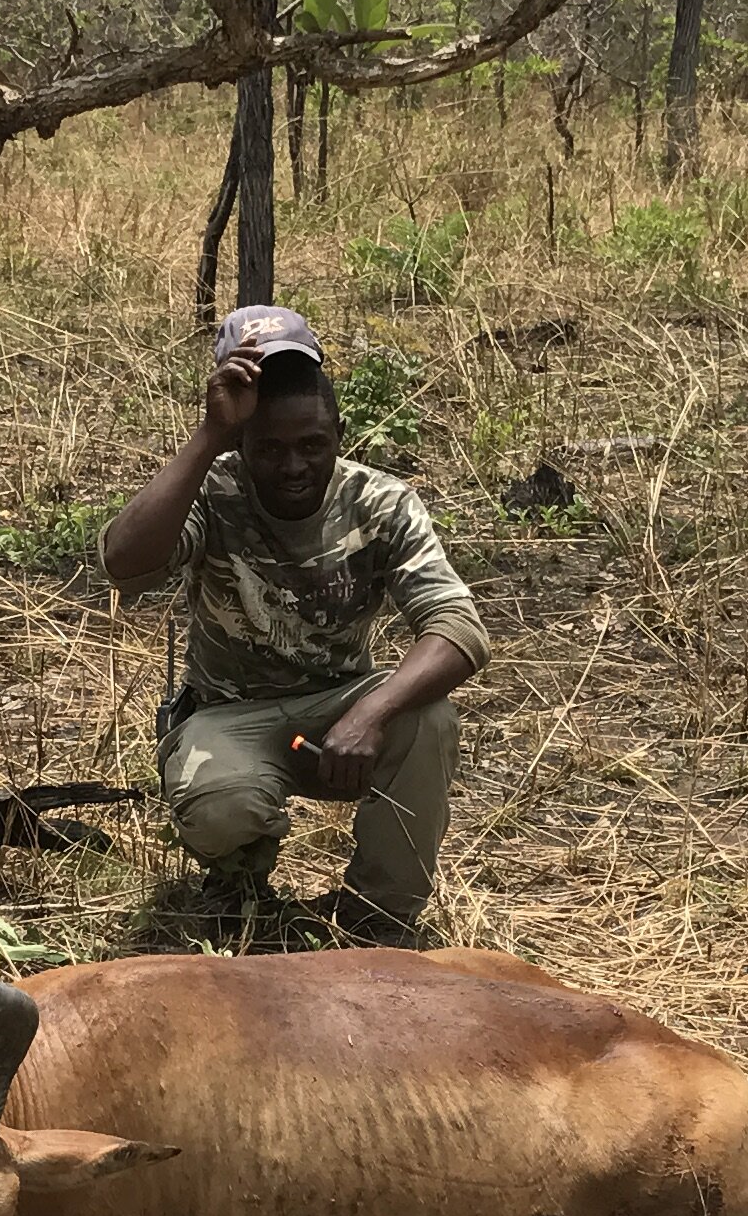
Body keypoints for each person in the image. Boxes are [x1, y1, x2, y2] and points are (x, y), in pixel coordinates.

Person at [99, 305, 490, 942]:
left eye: (313, 445)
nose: (293, 466)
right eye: (270, 448)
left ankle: (379, 921)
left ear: (339, 432)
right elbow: (124, 564)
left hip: (340, 709)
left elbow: (459, 628)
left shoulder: (378, 501)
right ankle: (240, 894)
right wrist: (207, 440)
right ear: (241, 441)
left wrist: (370, 715)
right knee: (224, 807)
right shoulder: (214, 486)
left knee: (429, 719)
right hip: (229, 711)